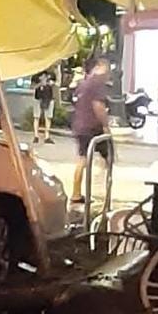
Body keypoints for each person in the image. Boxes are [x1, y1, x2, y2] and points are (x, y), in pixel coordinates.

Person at [70, 55, 112, 207]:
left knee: (82, 159)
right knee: (109, 157)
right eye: (106, 67)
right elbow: (98, 106)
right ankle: (107, 193)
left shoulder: (83, 83)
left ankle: (76, 193)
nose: (108, 72)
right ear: (100, 66)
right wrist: (106, 125)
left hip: (80, 125)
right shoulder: (97, 84)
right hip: (93, 128)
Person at [32, 70, 53, 142]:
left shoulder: (51, 74)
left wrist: (49, 83)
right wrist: (41, 84)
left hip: (48, 98)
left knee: (48, 117)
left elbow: (56, 83)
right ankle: (36, 135)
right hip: (38, 98)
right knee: (36, 116)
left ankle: (47, 136)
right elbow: (32, 86)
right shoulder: (35, 76)